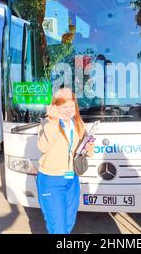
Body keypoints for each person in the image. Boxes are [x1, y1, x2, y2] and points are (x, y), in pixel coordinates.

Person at [36, 88, 95, 234]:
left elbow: (87, 153)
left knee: (69, 223)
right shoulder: (46, 124)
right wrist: (54, 121)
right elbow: (43, 147)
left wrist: (88, 148)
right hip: (51, 181)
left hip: (71, 178)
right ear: (55, 107)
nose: (69, 110)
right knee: (58, 227)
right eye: (65, 107)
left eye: (72, 106)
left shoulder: (78, 123)